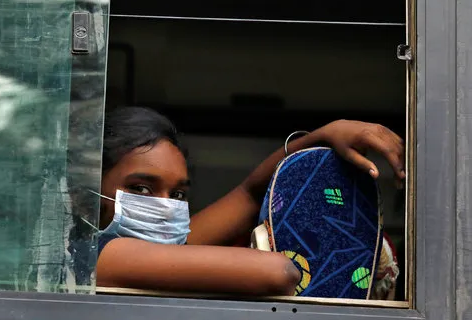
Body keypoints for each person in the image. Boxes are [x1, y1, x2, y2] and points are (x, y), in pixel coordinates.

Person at [94, 107, 405, 296]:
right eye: (142, 189)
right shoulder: (106, 257)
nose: (165, 207)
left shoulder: (161, 250)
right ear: (90, 192)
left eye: (177, 195)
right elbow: (279, 272)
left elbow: (250, 195)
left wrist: (322, 136)